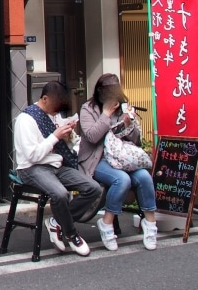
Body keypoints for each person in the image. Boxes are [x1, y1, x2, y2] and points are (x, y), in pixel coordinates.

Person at [14, 80, 102, 256]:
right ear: (44, 99)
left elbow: (65, 147)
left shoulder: (54, 116)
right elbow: (32, 155)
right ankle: (72, 234)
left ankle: (57, 222)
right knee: (60, 194)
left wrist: (68, 136)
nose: (56, 112)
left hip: (55, 164)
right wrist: (55, 136)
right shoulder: (26, 119)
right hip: (32, 168)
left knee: (93, 188)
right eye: (55, 107)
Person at [79, 73, 157, 251]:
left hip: (123, 158)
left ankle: (150, 224)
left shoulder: (122, 108)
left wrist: (129, 123)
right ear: (100, 92)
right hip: (97, 159)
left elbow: (135, 142)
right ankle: (107, 224)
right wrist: (106, 114)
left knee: (144, 176)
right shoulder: (88, 109)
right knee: (122, 179)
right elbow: (92, 137)